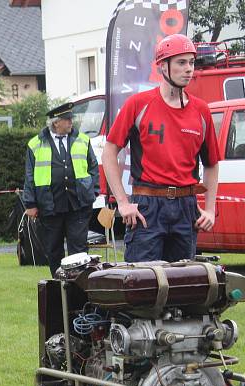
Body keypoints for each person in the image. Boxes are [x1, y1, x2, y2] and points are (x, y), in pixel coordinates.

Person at [102, 33, 219, 262]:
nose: (189, 69)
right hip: (147, 205)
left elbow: (212, 164)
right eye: (181, 62)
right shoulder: (138, 104)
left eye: (192, 62)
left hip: (187, 207)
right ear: (163, 66)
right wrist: (123, 203)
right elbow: (109, 152)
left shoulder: (202, 111)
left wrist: (211, 210)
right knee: (142, 286)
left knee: (182, 286)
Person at [23, 102, 99, 277]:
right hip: (49, 206)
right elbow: (29, 176)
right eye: (67, 119)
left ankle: (79, 290)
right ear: (56, 122)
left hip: (78, 205)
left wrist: (93, 192)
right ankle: (59, 289)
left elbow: (93, 168)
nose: (71, 121)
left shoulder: (83, 140)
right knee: (53, 250)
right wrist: (30, 203)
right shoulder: (35, 144)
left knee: (79, 251)